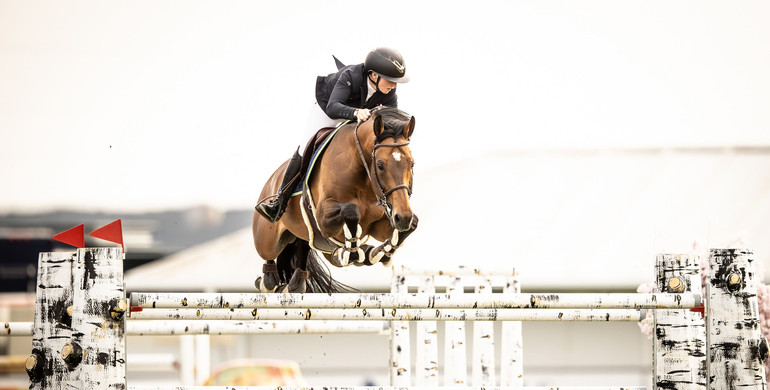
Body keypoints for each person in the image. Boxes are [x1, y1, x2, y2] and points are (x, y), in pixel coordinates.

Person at [256, 47, 410, 223]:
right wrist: (355, 112)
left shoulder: (389, 92)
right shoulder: (351, 76)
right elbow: (333, 107)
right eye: (391, 80)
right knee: (304, 146)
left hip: (358, 115)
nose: (394, 85)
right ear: (374, 76)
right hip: (329, 111)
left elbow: (390, 122)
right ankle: (279, 201)